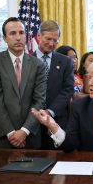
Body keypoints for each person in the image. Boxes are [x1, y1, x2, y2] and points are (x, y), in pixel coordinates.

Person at [0, 17, 47, 149]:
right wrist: (12, 133)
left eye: (21, 32)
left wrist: (24, 131)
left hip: (30, 137)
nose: (18, 37)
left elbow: (39, 101)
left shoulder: (38, 65)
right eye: (13, 33)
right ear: (5, 38)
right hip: (2, 137)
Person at [32, 20, 74, 149]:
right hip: (31, 121)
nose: (51, 43)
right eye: (48, 39)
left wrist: (50, 112)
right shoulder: (26, 59)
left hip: (57, 119)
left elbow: (67, 90)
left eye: (55, 40)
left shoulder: (66, 61)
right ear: (39, 36)